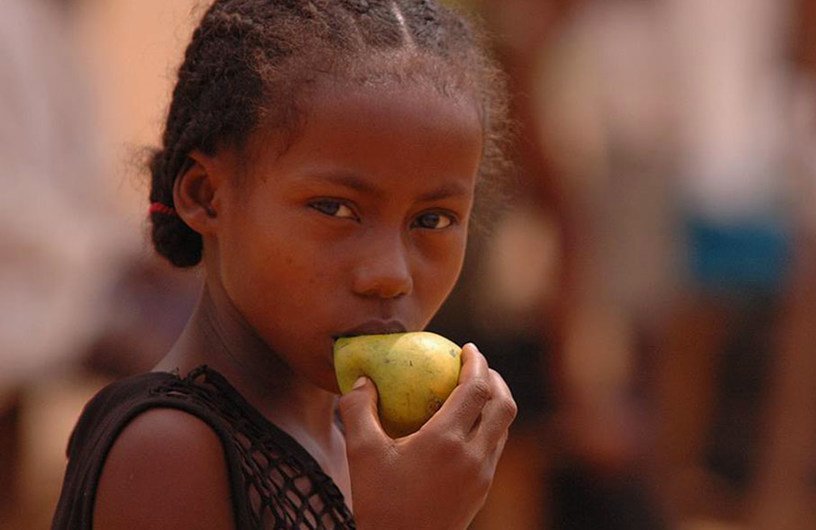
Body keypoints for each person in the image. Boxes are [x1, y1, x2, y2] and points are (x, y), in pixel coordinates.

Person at [52, 0, 517, 528]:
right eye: (335, 209)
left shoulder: (360, 452)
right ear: (207, 195)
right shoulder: (169, 449)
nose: (390, 274)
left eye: (432, 220)